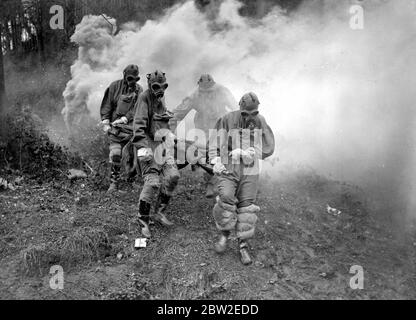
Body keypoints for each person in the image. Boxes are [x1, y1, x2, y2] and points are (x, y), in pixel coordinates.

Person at [209, 92, 275, 265]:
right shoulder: (227, 119)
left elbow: (269, 146)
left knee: (246, 207)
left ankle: (243, 245)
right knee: (226, 198)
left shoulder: (261, 121)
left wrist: (254, 153)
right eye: (247, 114)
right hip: (229, 164)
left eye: (254, 113)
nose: (250, 117)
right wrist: (215, 159)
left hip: (250, 168)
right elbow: (214, 141)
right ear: (240, 108)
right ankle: (224, 235)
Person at [170, 74, 238, 198]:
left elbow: (236, 110)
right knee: (205, 153)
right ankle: (210, 180)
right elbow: (177, 114)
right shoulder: (194, 95)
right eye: (204, 92)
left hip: (221, 124)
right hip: (202, 126)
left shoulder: (223, 91)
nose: (207, 94)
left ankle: (219, 182)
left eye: (210, 91)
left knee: (221, 152)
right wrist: (169, 133)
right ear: (199, 88)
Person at [132, 70, 180, 238]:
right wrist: (142, 146)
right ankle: (143, 219)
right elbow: (139, 123)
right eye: (156, 86)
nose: (160, 90)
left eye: (163, 86)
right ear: (150, 86)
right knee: (152, 182)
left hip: (162, 144)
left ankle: (159, 212)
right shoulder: (144, 98)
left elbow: (162, 119)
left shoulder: (161, 98)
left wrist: (169, 133)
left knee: (173, 176)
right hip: (148, 145)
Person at [100, 64, 143, 192]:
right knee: (116, 154)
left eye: (135, 79)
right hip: (116, 129)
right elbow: (107, 104)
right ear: (124, 76)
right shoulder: (114, 86)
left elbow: (138, 108)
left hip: (131, 129)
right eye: (130, 78)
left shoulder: (139, 90)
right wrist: (106, 122)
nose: (132, 82)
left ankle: (131, 180)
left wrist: (125, 118)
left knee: (134, 155)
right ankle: (114, 182)